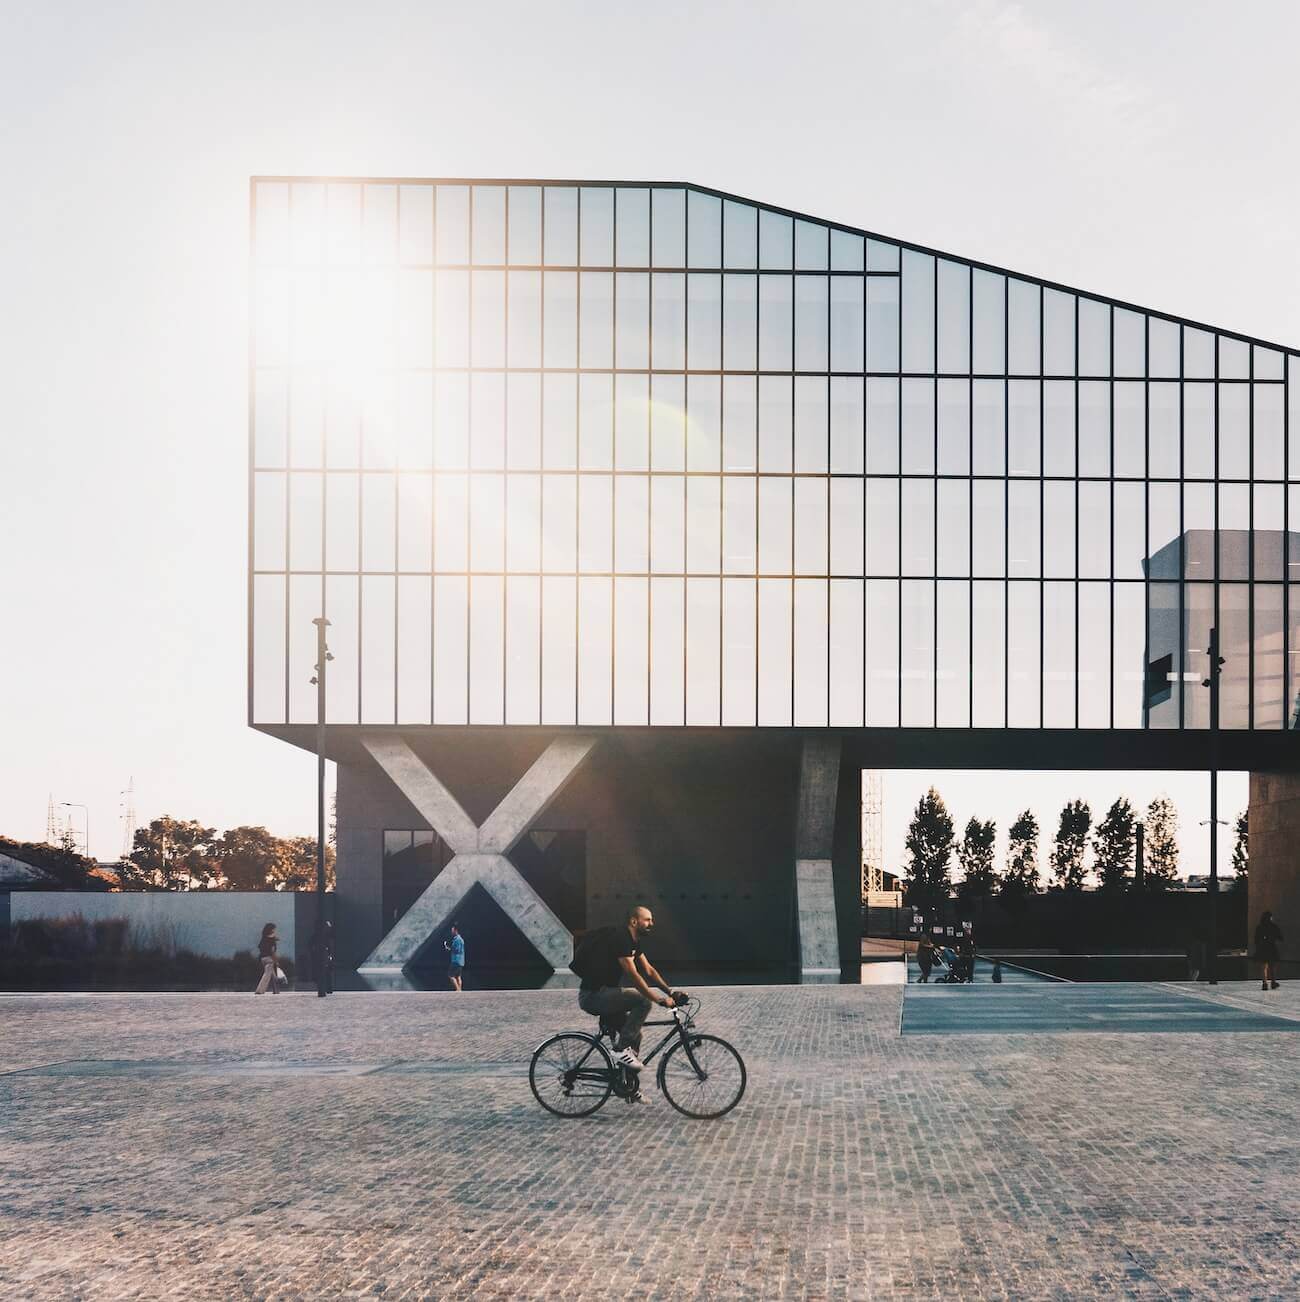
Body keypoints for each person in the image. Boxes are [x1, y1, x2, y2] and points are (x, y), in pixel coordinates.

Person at [574, 905, 684, 1080]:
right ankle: (619, 1051)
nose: (651, 923)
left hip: (606, 994)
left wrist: (671, 991)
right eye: (647, 919)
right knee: (643, 1001)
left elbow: (649, 970)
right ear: (634, 921)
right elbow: (633, 975)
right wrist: (659, 1000)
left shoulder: (633, 941)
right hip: (593, 996)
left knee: (635, 1035)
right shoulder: (621, 938)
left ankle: (627, 1084)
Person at [1255, 910, 1283, 991]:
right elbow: (1280, 937)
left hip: (1262, 948)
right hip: (1271, 948)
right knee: (1272, 966)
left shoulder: (1259, 927)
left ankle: (1264, 983)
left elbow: (1256, 940)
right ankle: (1273, 982)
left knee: (1263, 966)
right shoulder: (1274, 926)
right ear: (1270, 918)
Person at [254, 922, 282, 994]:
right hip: (269, 959)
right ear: (271, 930)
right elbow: (272, 952)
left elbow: (261, 947)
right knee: (267, 976)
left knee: (273, 976)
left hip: (263, 959)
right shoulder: (271, 939)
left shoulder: (264, 938)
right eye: (274, 929)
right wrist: (276, 961)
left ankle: (276, 991)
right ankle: (260, 991)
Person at [444, 922, 465, 991]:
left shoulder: (457, 939)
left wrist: (449, 949)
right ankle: (460, 990)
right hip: (461, 961)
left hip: (456, 961)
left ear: (456, 930)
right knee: (458, 976)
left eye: (452, 930)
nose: (451, 931)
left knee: (451, 975)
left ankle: (458, 989)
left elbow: (457, 950)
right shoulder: (459, 939)